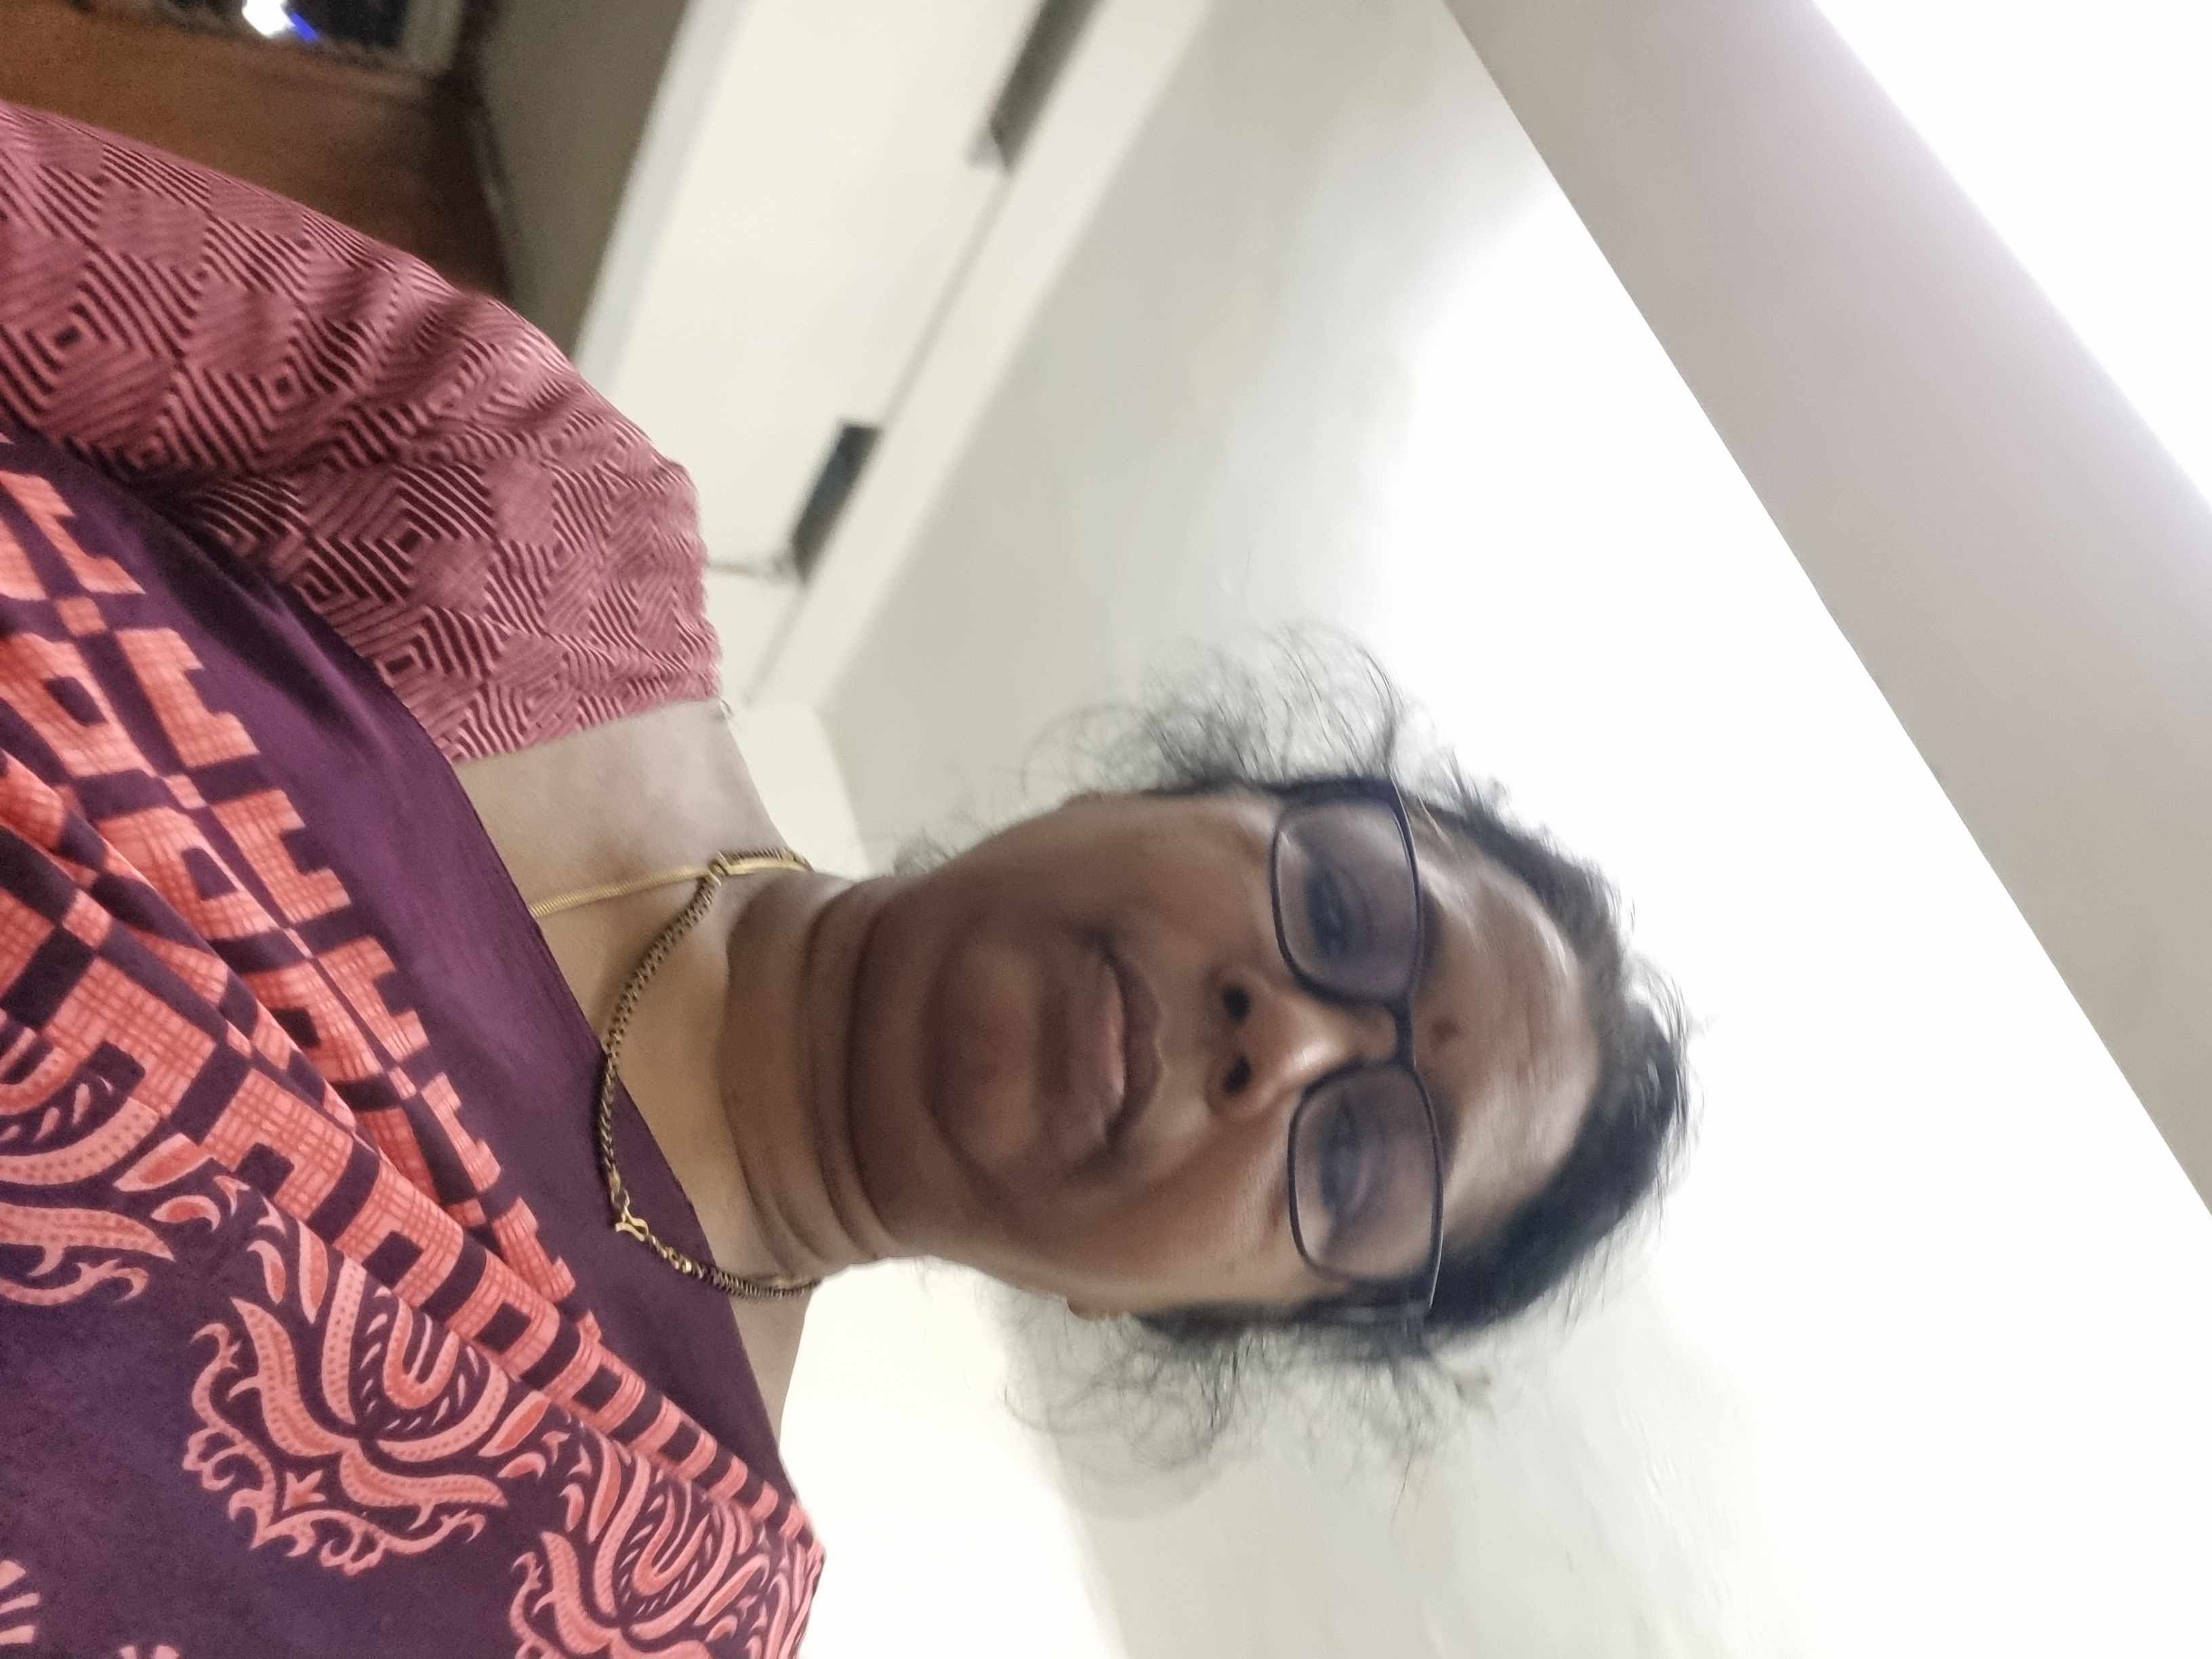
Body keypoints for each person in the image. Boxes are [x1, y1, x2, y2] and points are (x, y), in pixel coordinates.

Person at [0, 101, 1686, 1656]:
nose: (1289, 1043)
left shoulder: (645, 1594)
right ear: (1176, 798)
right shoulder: (532, 513)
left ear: (1174, 1310)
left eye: (1359, 1165)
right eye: (1343, 915)